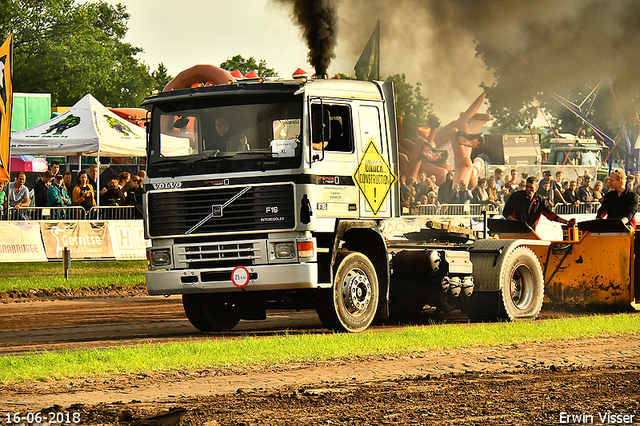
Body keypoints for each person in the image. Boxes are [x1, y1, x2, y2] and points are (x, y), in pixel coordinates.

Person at [503, 176, 576, 230]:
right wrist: (519, 224)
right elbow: (506, 213)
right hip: (513, 230)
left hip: (530, 232)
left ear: (536, 188)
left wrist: (566, 222)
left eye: (531, 187)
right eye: (527, 187)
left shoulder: (540, 200)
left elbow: (550, 215)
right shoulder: (516, 196)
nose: (528, 190)